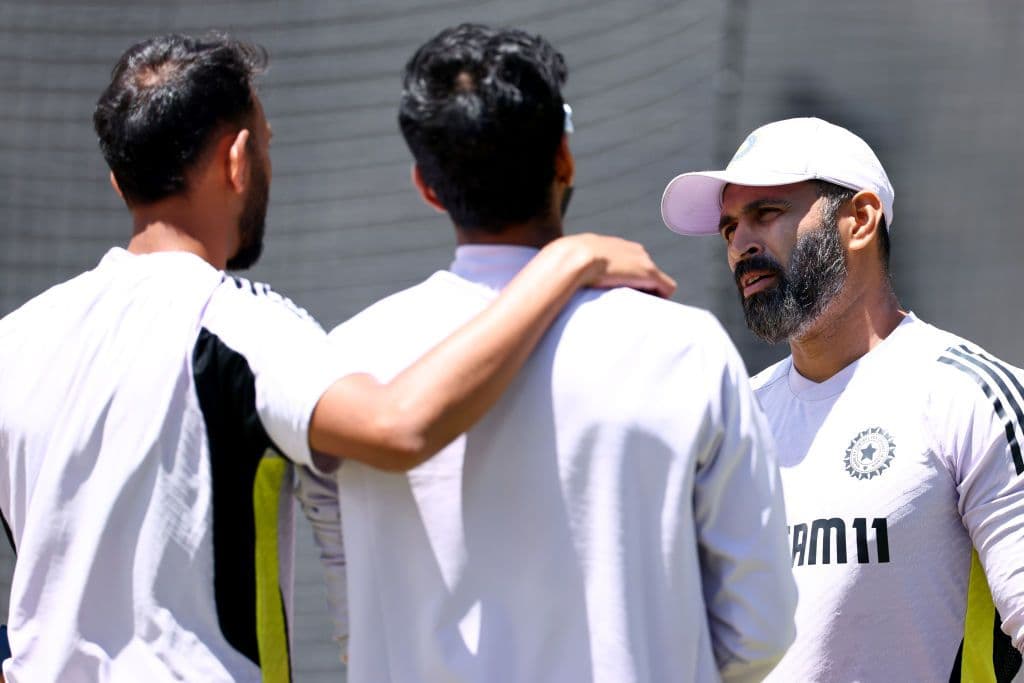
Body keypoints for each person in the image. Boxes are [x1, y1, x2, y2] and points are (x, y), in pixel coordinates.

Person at [0, 33, 675, 683]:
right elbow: (399, 426)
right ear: (238, 161)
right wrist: (564, 261)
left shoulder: (17, 340)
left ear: (120, 182)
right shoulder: (240, 324)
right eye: (265, 145)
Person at [298, 23, 796, 683]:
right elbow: (759, 627)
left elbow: (351, 615)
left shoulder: (344, 364)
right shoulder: (685, 347)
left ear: (425, 184)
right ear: (564, 158)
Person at [661, 116, 1024, 682]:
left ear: (859, 220)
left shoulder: (969, 395)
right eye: (730, 227)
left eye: (766, 213)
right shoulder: (732, 422)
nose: (740, 244)